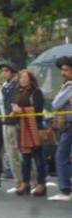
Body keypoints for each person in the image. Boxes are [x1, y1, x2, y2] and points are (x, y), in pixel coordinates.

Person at [11, 70, 47, 196]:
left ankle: (41, 184)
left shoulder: (37, 92)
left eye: (25, 77)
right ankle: (25, 183)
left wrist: (21, 110)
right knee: (25, 159)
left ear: (31, 79)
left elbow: (38, 109)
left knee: (39, 158)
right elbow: (14, 105)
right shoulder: (18, 92)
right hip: (21, 128)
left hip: (35, 128)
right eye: (21, 77)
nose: (23, 80)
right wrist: (14, 110)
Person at [48, 56, 72, 201]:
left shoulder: (69, 86)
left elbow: (56, 104)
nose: (63, 72)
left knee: (61, 157)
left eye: (66, 69)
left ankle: (64, 190)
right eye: (62, 69)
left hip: (69, 127)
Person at [0, 62, 21, 193]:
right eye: (3, 71)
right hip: (5, 122)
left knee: (19, 154)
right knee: (11, 154)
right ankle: (18, 182)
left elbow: (16, 104)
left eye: (6, 70)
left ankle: (30, 182)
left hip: (14, 123)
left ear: (13, 72)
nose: (4, 73)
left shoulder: (16, 86)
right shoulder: (5, 87)